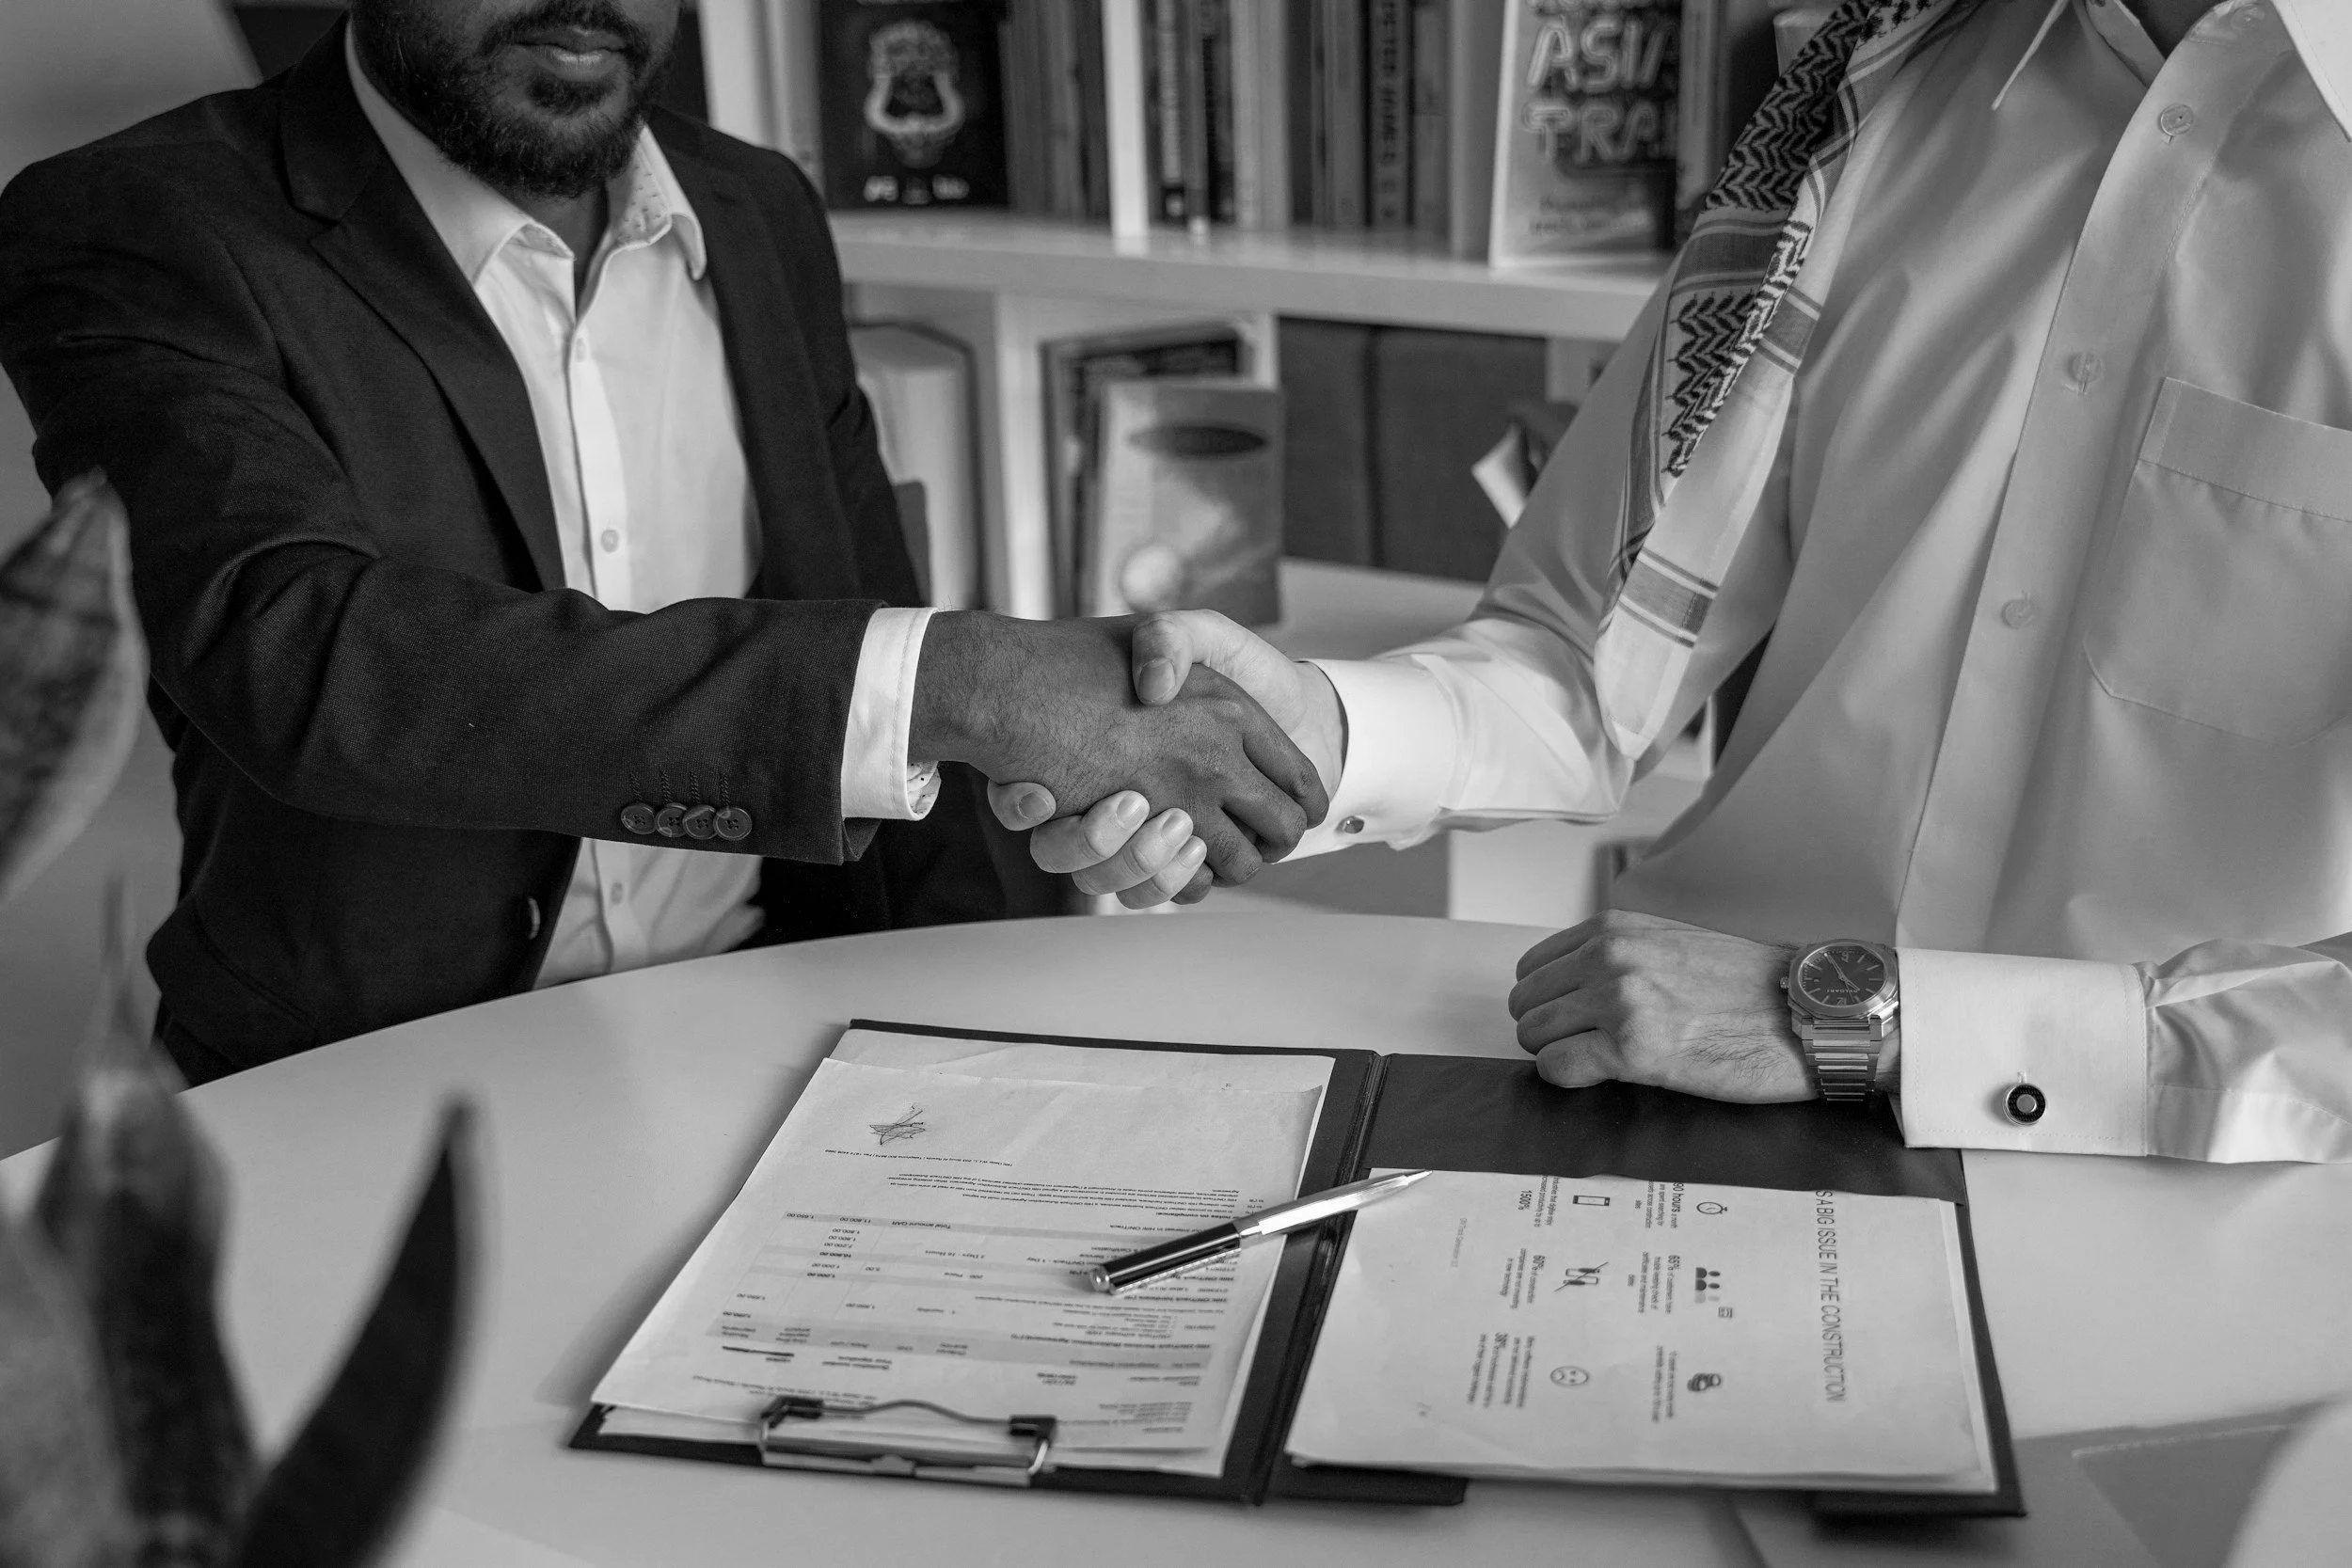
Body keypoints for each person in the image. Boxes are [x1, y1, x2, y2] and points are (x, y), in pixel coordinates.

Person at [1009, 0, 2352, 1164]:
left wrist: (1868, 1024)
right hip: (1691, 1116)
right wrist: (1313, 735)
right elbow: (1585, 655)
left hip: (2186, 1208)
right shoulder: (1866, 93)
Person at [0, 0, 1323, 1083]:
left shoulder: (761, 212)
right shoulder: (136, 225)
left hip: (785, 1051)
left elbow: (873, 636)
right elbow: (302, 653)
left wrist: (1044, 959)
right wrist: (962, 682)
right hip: (358, 1095)